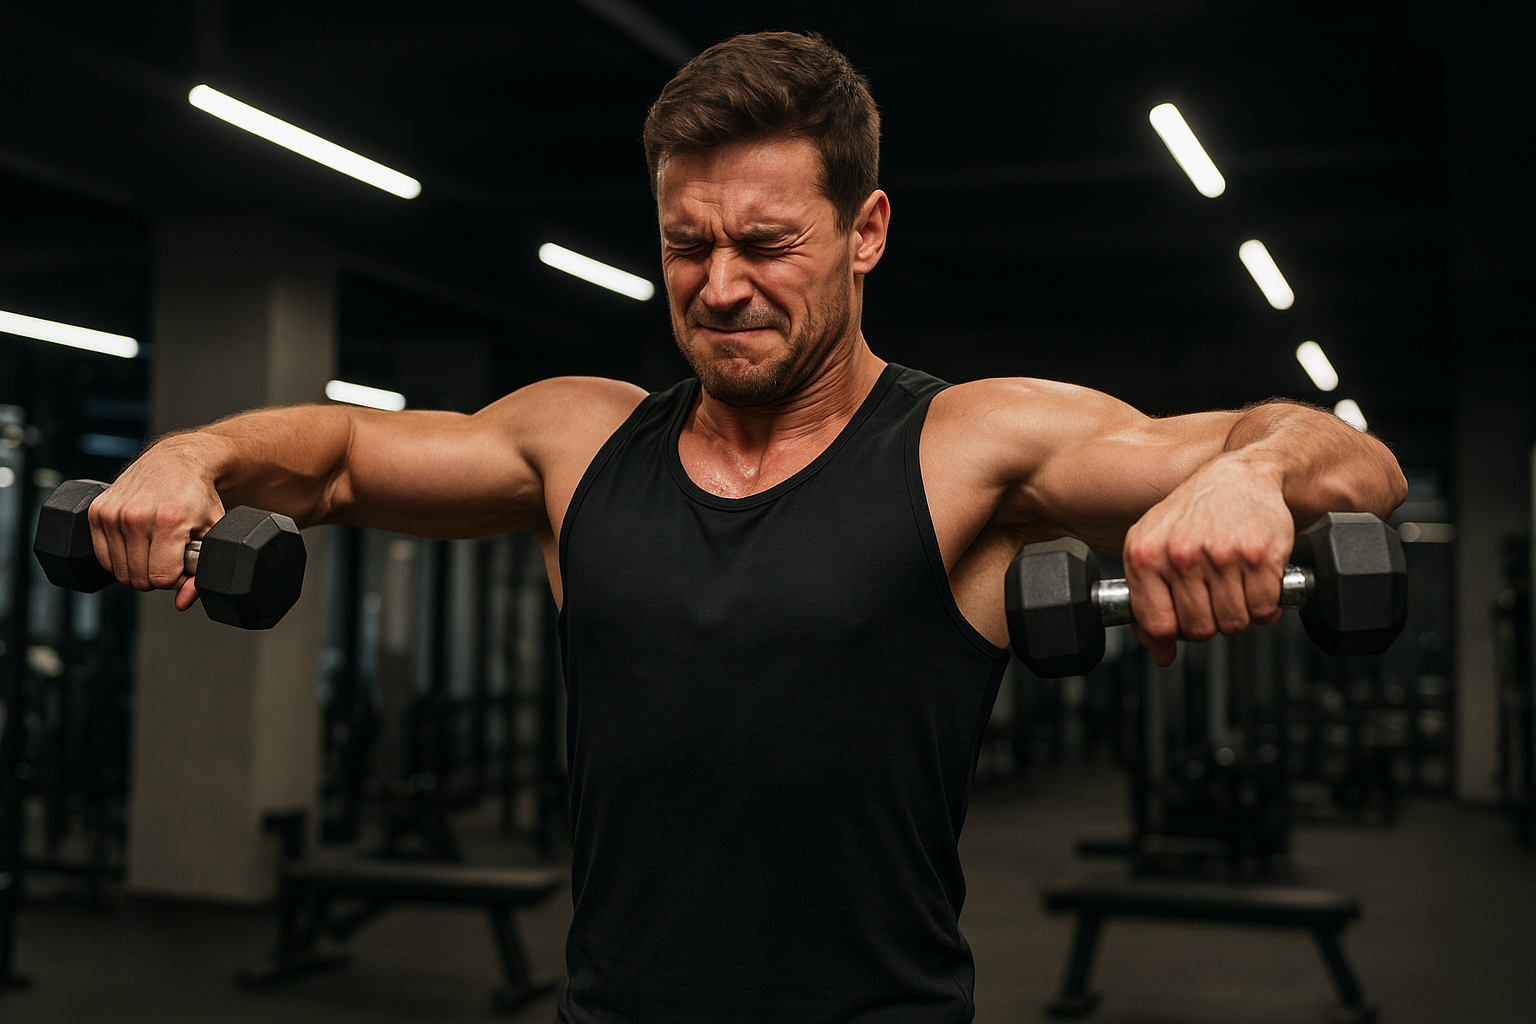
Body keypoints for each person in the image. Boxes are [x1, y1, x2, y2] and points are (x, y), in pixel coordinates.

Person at [88, 31, 1405, 1024]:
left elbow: (1354, 467)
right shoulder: (581, 440)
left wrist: (1257, 474)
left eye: (768, 243)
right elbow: (336, 458)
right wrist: (194, 452)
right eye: (686, 244)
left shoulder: (973, 447)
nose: (721, 287)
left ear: (864, 230)